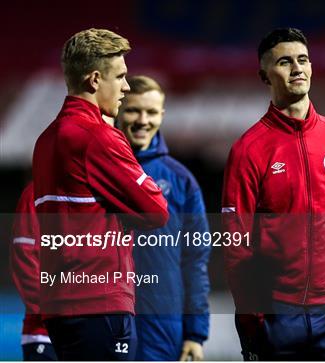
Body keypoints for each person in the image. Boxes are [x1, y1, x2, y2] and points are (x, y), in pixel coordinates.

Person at [221, 27, 325, 360]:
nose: (297, 68)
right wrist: (250, 320)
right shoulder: (248, 150)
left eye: (303, 60)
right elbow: (235, 243)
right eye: (285, 62)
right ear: (264, 75)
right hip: (276, 315)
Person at [32, 28, 169, 360]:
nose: (125, 87)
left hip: (60, 304)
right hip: (99, 300)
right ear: (95, 80)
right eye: (120, 77)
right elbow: (157, 210)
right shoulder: (98, 137)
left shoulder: (45, 140)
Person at [116, 75, 211, 361]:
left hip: (163, 325)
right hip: (105, 317)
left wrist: (195, 332)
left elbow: (196, 259)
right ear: (118, 108)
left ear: (162, 114)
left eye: (152, 112)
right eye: (134, 110)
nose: (143, 120)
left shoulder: (181, 180)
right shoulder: (96, 169)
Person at [10, 182, 57, 361]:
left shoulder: (101, 189)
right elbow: (24, 256)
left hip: (94, 330)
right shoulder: (36, 191)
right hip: (44, 333)